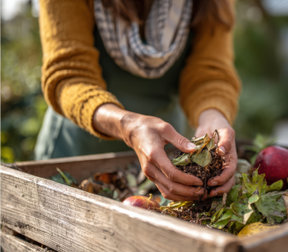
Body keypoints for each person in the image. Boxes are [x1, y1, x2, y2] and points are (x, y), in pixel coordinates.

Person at [35, 0, 241, 201]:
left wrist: (213, 117)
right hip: (78, 153)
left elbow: (209, 73)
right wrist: (128, 126)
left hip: (164, 161)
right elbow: (70, 75)